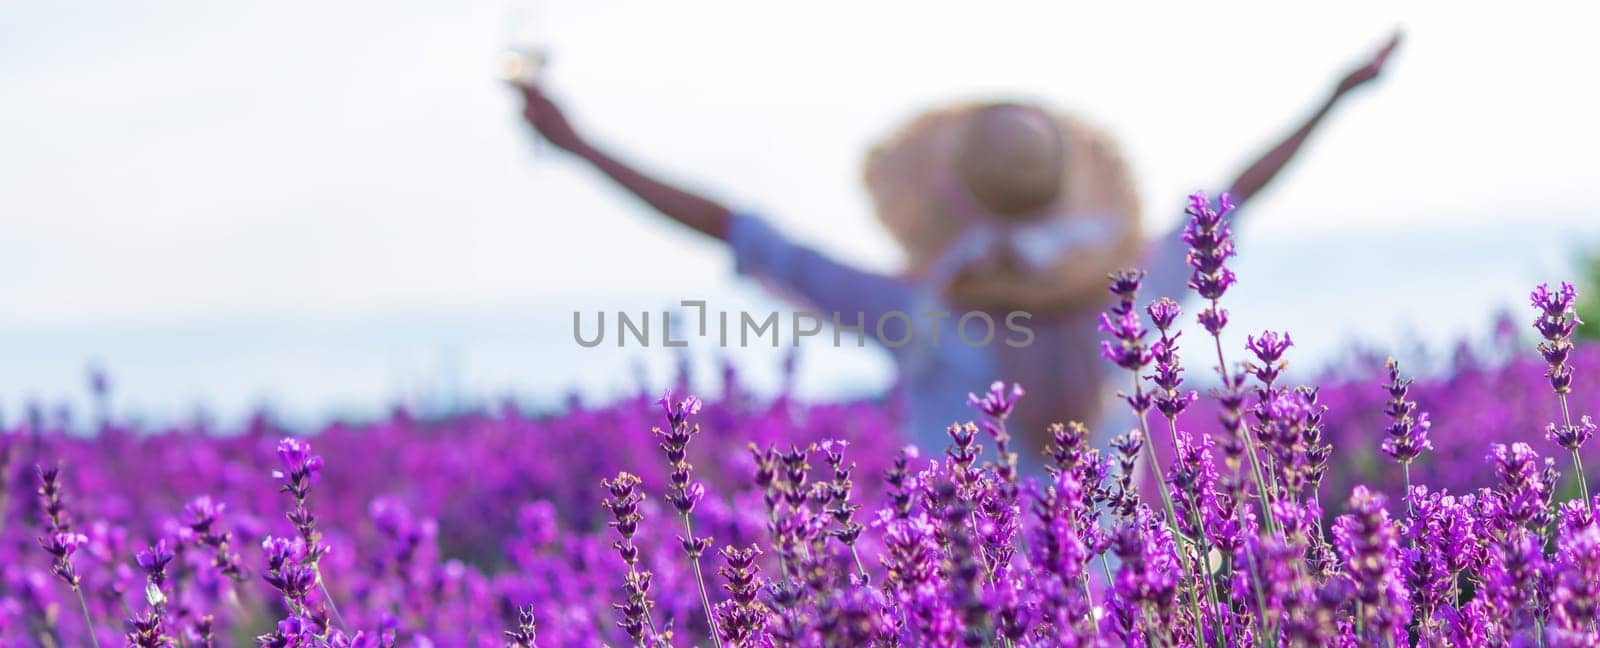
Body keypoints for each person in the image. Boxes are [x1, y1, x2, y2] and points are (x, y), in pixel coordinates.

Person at [517, 33, 1400, 466]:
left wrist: (580, 146)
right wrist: (1333, 97)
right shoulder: (1133, 298)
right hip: (1118, 615)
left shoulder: (921, 317)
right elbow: (1236, 196)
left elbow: (741, 232)